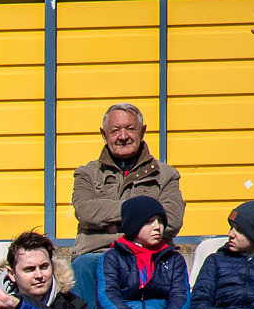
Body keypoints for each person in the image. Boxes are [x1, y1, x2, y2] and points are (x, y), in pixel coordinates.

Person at [72, 104, 186, 259]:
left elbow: (172, 221)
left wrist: (111, 225)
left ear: (142, 132)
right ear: (104, 135)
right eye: (115, 130)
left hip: (151, 254)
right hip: (97, 253)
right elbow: (85, 212)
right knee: (82, 266)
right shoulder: (87, 173)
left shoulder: (166, 174)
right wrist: (145, 215)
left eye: (130, 129)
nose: (123, 136)